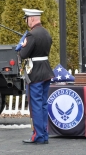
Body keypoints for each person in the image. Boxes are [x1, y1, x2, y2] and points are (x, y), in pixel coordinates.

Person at [19, 8, 54, 144]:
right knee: (43, 104)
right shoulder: (46, 33)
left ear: (32, 19)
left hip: (35, 73)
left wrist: (22, 46)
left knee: (36, 105)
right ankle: (44, 134)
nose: (27, 21)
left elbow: (23, 55)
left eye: (27, 19)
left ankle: (38, 136)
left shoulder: (31, 35)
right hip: (46, 71)